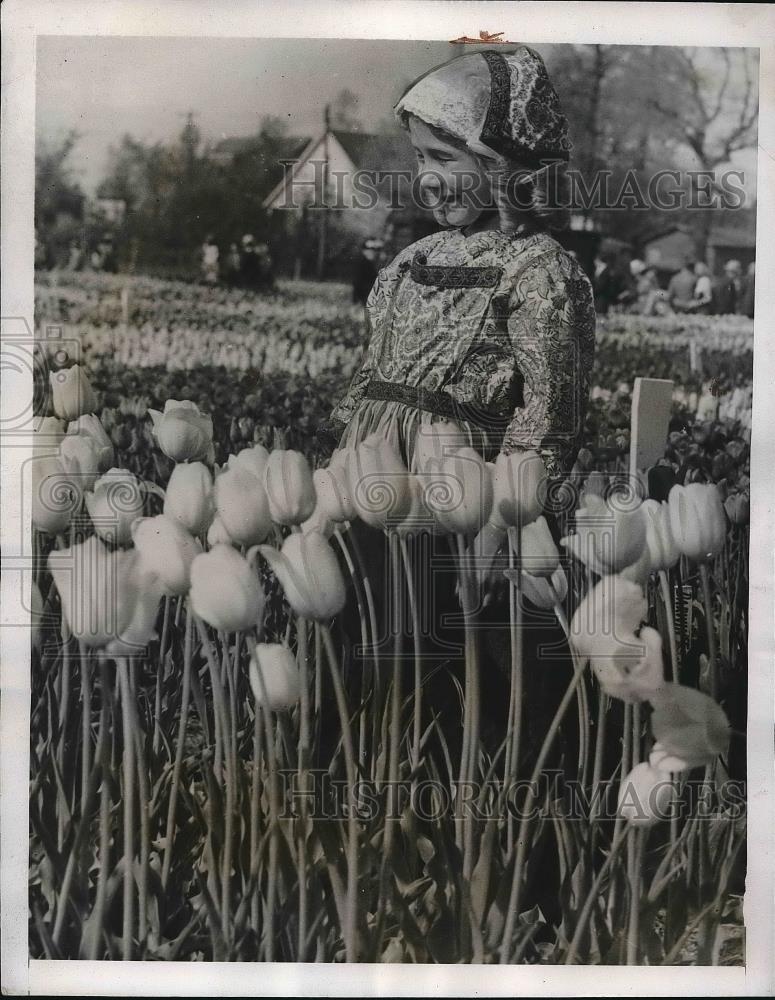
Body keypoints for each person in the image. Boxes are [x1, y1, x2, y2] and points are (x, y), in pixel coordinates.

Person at [317, 48, 595, 801]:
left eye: (444, 154)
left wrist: (518, 510)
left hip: (462, 488)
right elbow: (373, 375)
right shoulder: (411, 259)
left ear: (504, 163)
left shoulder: (541, 270)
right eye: (419, 156)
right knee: (372, 635)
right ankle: (366, 785)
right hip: (376, 477)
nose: (426, 174)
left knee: (457, 650)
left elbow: (548, 410)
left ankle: (463, 803)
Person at [352, 238, 383, 308]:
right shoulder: (361, 265)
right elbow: (357, 284)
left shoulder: (378, 264)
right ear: (363, 250)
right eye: (370, 248)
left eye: (377, 249)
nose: (373, 251)